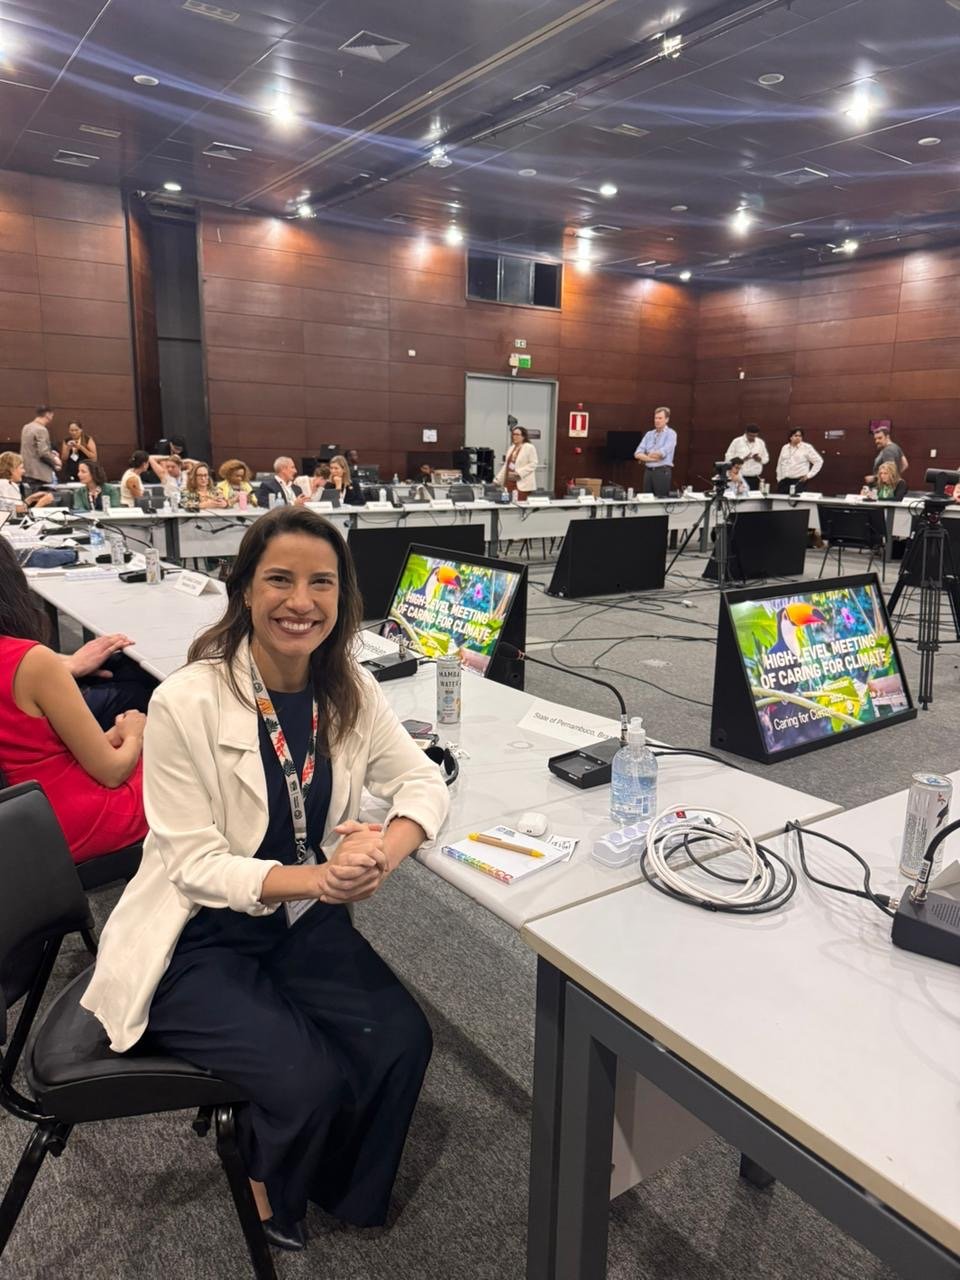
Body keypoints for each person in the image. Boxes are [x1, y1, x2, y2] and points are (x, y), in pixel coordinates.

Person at [80, 506, 449, 1250]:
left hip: (290, 921)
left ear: (343, 598)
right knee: (306, 1082)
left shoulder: (349, 690)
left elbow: (423, 781)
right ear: (244, 589)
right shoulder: (186, 700)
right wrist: (320, 882)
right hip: (196, 934)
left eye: (321, 583)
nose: (300, 601)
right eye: (279, 579)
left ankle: (336, 1181)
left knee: (401, 1039)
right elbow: (194, 864)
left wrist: (384, 851)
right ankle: (269, 1181)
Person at [0, 538, 146, 863]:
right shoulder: (30, 661)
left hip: (23, 816)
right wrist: (134, 733)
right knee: (188, 767)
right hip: (71, 820)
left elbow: (33, 751)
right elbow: (112, 773)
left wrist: (111, 738)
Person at [633, 406, 677, 497]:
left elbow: (660, 454)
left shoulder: (671, 434)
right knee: (646, 500)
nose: (657, 420)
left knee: (660, 502)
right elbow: (637, 453)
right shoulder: (649, 434)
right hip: (648, 472)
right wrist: (651, 459)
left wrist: (646, 456)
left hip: (662, 471)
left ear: (667, 419)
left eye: (660, 418)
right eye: (655, 418)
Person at [20, 406, 61, 492]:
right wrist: (55, 460)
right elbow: (43, 452)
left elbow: (32, 449)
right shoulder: (41, 429)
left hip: (26, 471)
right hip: (40, 474)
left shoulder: (26, 427)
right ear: (48, 415)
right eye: (52, 416)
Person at [495, 425, 538, 501]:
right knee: (507, 504)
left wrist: (519, 473)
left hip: (521, 485)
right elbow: (506, 466)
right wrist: (498, 479)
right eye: (513, 434)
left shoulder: (529, 447)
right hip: (508, 483)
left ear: (523, 436)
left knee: (518, 506)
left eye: (517, 434)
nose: (514, 436)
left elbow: (533, 464)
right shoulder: (511, 448)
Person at [775, 428, 823, 494]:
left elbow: (819, 461)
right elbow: (779, 464)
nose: (798, 437)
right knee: (781, 502)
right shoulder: (785, 448)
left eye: (800, 436)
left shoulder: (807, 447)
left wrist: (808, 475)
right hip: (784, 481)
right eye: (796, 435)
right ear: (790, 437)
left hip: (798, 481)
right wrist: (779, 479)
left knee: (796, 503)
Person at [724, 425, 769, 490]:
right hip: (740, 476)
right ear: (746, 433)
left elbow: (766, 459)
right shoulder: (737, 441)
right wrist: (742, 459)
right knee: (741, 496)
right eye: (751, 435)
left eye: (755, 436)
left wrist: (759, 459)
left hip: (755, 477)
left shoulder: (760, 442)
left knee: (754, 498)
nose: (753, 438)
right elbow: (727, 458)